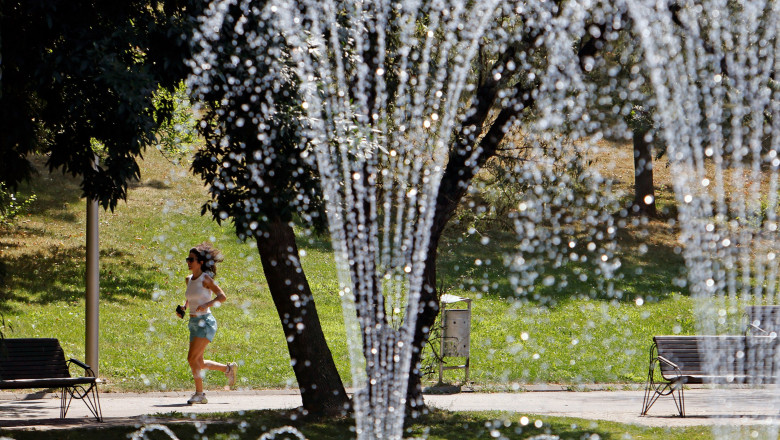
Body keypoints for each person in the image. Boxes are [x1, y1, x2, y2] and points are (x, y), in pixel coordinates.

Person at [176, 242, 237, 404]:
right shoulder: (188, 279)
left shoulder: (206, 279)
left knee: (191, 359)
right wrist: (184, 307)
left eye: (191, 259)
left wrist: (206, 305)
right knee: (199, 362)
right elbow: (191, 297)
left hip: (206, 323)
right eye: (187, 259)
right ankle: (228, 369)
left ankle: (200, 394)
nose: (188, 262)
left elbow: (222, 297)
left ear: (200, 262)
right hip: (193, 322)